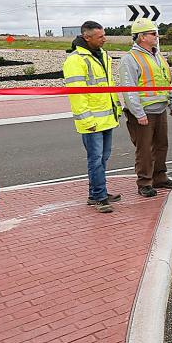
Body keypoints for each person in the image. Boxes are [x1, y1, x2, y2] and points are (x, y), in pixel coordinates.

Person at [63, 20, 122, 213]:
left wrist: (116, 106)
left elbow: (109, 84)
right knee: (95, 159)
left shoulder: (103, 55)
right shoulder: (75, 60)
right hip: (91, 121)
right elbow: (77, 94)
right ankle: (99, 197)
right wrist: (87, 120)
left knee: (103, 158)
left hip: (106, 117)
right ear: (87, 38)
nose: (105, 39)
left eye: (104, 35)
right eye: (100, 37)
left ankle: (97, 192)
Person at [119, 18, 172, 198]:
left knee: (161, 145)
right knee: (144, 149)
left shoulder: (157, 56)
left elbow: (165, 81)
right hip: (143, 112)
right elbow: (129, 89)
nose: (157, 36)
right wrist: (138, 113)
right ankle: (144, 182)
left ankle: (159, 177)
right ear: (142, 37)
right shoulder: (130, 59)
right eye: (153, 33)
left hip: (159, 109)